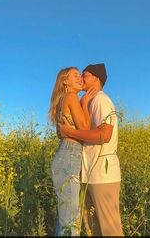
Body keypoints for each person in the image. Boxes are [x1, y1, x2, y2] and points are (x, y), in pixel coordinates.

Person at [59, 63, 124, 236]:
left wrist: (70, 132)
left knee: (110, 230)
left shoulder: (101, 100)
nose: (81, 77)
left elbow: (104, 135)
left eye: (85, 74)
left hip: (103, 175)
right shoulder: (89, 102)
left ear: (96, 78)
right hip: (90, 175)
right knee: (92, 230)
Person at [48, 67, 96, 236]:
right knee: (70, 221)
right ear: (65, 81)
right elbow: (84, 128)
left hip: (65, 154)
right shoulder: (71, 96)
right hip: (69, 156)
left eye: (80, 75)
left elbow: (60, 133)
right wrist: (84, 103)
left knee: (66, 218)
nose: (79, 78)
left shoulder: (61, 100)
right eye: (74, 75)